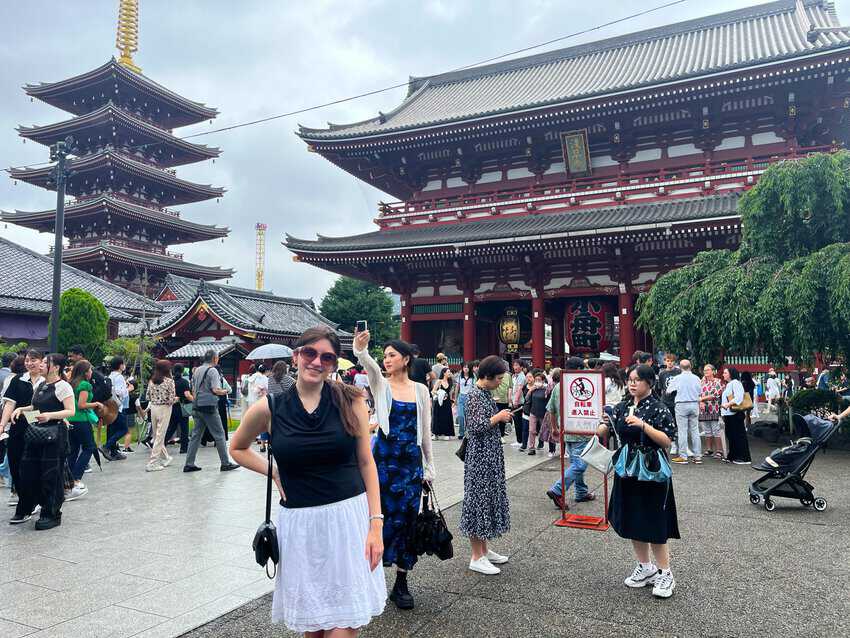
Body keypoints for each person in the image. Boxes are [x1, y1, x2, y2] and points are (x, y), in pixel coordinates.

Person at [231, 326, 385, 634]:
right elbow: (237, 447)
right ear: (295, 356)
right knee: (313, 628)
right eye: (310, 353)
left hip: (347, 521)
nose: (317, 362)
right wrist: (272, 471)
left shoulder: (351, 399)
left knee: (343, 624)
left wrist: (376, 525)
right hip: (300, 526)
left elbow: (366, 462)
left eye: (327, 357)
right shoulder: (269, 409)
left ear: (333, 364)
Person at [353, 329, 435, 610]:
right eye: (385, 355)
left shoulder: (421, 390)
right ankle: (369, 578)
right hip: (384, 461)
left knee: (407, 521)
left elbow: (425, 432)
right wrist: (361, 350)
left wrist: (429, 465)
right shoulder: (380, 384)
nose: (386, 360)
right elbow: (369, 366)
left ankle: (401, 582)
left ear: (406, 359)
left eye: (392, 355)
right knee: (377, 517)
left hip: (410, 463)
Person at [596, 364, 679, 598]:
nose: (632, 384)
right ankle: (645, 567)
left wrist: (644, 425)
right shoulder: (622, 407)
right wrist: (602, 425)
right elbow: (607, 430)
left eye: (637, 380)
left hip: (652, 471)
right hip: (628, 469)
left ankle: (665, 573)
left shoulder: (660, 409)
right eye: (630, 379)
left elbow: (666, 441)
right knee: (633, 519)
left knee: (654, 521)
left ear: (650, 383)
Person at [459, 355, 513, 575]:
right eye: (499, 378)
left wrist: (499, 416)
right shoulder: (474, 395)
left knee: (486, 499)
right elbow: (475, 427)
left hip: (488, 456)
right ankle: (476, 556)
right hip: (480, 457)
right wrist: (498, 416)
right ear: (487, 376)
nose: (501, 382)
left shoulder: (483, 393)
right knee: (478, 501)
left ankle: (484, 550)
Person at [11, 353, 75, 530]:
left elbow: (71, 411)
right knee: (29, 471)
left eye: (46, 363)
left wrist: (50, 416)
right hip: (36, 434)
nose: (42, 365)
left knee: (51, 475)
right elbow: (36, 407)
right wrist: (22, 409)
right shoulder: (41, 384)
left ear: (56, 367)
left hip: (55, 436)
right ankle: (34, 505)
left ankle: (51, 513)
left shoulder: (63, 387)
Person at [545, 362, 595, 510]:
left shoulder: (559, 386)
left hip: (567, 431)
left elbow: (551, 410)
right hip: (583, 431)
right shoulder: (586, 384)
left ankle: (581, 492)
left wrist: (554, 428)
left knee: (575, 463)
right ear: (579, 369)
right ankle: (557, 490)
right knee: (580, 465)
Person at [183, 350, 239, 473]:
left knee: (195, 436)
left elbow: (193, 388)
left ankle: (189, 463)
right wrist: (225, 391)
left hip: (197, 406)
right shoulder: (212, 370)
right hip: (209, 407)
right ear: (215, 358)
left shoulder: (197, 370)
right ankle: (225, 463)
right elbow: (215, 389)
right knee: (219, 434)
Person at [1, 352, 42, 513]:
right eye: (27, 360)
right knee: (15, 463)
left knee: (36, 465)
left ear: (41, 362)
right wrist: (2, 424)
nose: (30, 363)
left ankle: (32, 500)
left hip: (41, 430)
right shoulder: (17, 380)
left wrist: (26, 414)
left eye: (33, 360)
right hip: (18, 429)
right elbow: (9, 405)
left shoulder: (47, 381)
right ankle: (24, 498)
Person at [67, 359, 101, 501]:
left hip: (70, 419)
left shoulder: (71, 383)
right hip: (81, 420)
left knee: (73, 449)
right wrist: (96, 403)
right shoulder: (85, 385)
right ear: (85, 372)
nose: (91, 372)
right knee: (89, 447)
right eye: (90, 370)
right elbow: (82, 404)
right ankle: (76, 478)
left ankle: (67, 479)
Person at [667, 360, 704, 465]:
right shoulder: (697, 378)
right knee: (695, 430)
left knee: (682, 430)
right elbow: (700, 392)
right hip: (694, 403)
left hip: (681, 404)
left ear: (680, 367)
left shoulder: (677, 378)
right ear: (690, 366)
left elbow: (668, 391)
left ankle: (683, 456)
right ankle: (698, 457)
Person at [146, 360, 176, 472]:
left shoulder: (151, 381)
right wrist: (176, 399)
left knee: (157, 436)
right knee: (159, 437)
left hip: (153, 408)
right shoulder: (169, 381)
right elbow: (171, 399)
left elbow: (147, 396)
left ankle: (166, 457)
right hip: (165, 409)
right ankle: (152, 463)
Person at [100, 357, 129, 461]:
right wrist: (127, 389)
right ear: (120, 365)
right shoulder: (119, 377)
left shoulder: (109, 376)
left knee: (111, 429)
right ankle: (106, 446)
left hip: (109, 406)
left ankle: (114, 452)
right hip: (118, 406)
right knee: (123, 429)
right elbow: (120, 391)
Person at [720, 367, 751, 464]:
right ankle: (733, 455)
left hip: (735, 413)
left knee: (738, 434)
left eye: (725, 373)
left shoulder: (736, 383)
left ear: (731, 374)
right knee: (731, 435)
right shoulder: (729, 384)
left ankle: (744, 457)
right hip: (729, 413)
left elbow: (739, 397)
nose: (723, 374)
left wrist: (728, 404)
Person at [165, 365, 193, 454]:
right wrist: (195, 400)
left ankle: (162, 443)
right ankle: (184, 448)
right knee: (184, 428)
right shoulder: (184, 382)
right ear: (182, 371)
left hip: (172, 407)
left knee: (171, 427)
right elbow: (187, 395)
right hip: (182, 407)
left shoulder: (170, 382)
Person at [698, 364, 724, 459]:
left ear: (713, 371)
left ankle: (719, 451)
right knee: (707, 431)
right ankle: (709, 449)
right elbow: (697, 393)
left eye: (708, 370)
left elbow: (716, 395)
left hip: (714, 409)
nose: (706, 372)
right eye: (705, 370)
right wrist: (700, 401)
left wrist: (701, 399)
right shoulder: (701, 382)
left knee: (716, 430)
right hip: (703, 409)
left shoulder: (718, 381)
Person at [523, 370, 548, 456]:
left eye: (539, 380)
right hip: (533, 412)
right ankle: (531, 448)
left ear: (543, 381)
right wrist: (530, 391)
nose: (537, 382)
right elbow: (526, 399)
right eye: (536, 380)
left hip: (543, 413)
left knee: (543, 430)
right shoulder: (533, 389)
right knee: (532, 430)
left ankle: (543, 444)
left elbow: (549, 400)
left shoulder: (546, 389)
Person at [431, 368, 455, 440]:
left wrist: (452, 401)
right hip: (438, 401)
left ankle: (447, 433)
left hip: (447, 402)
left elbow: (450, 393)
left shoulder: (450, 382)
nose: (449, 373)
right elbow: (433, 391)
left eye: (450, 372)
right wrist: (441, 393)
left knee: (447, 417)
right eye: (448, 372)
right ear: (444, 373)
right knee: (437, 417)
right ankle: (435, 434)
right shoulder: (439, 381)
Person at [491, 361, 511, 442]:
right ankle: (496, 435)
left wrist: (509, 399)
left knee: (503, 418)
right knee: (495, 417)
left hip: (504, 399)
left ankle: (501, 435)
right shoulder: (493, 374)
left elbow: (510, 387)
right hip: (495, 399)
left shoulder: (508, 376)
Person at [509, 359, 526, 448]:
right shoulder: (514, 376)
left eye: (517, 365)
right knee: (516, 422)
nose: (515, 367)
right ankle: (519, 440)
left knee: (518, 422)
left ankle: (520, 441)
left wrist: (515, 401)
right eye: (514, 365)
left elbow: (519, 389)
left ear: (521, 367)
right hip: (514, 401)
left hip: (519, 402)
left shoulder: (522, 376)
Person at [456, 362, 476, 439]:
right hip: (461, 397)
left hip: (469, 397)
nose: (466, 369)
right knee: (461, 416)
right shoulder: (459, 376)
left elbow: (474, 387)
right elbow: (457, 387)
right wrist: (455, 398)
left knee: (468, 416)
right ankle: (461, 432)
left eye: (467, 367)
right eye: (464, 367)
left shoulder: (473, 376)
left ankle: (468, 432)